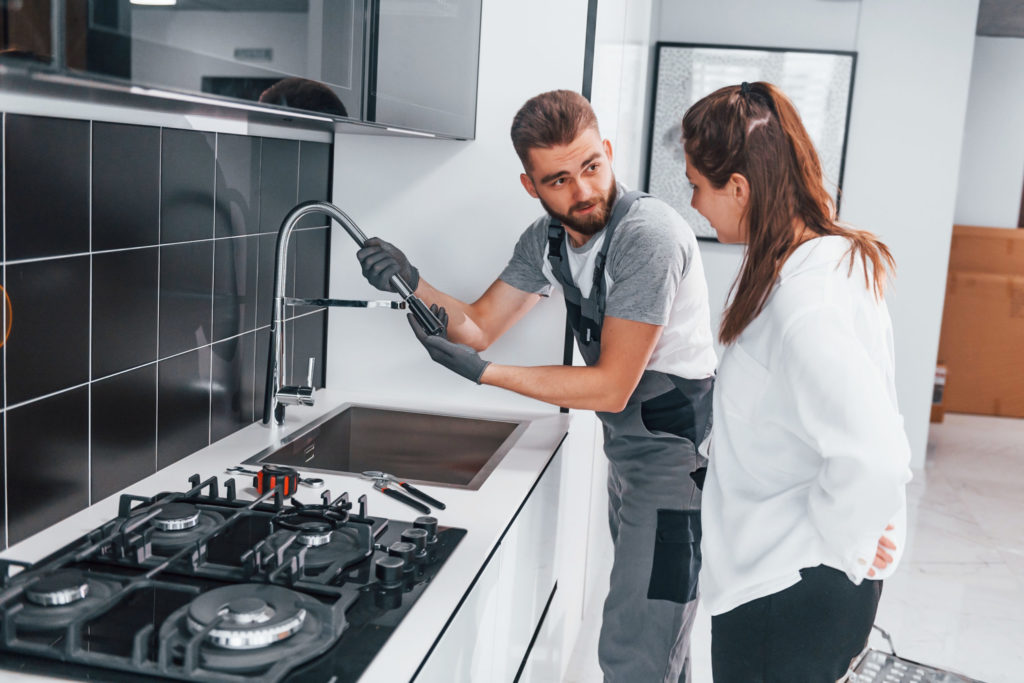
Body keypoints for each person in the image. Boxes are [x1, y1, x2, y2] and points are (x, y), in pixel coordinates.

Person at [357, 89, 717, 682]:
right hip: (629, 453)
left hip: (676, 463)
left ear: (607, 150)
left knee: (636, 651)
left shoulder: (646, 237)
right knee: (654, 638)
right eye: (558, 180)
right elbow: (479, 326)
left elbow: (611, 388)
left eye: (592, 167)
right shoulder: (548, 240)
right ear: (531, 185)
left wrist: (486, 377)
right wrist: (412, 281)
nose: (582, 192)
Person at [680, 80, 913, 682]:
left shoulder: (806, 301)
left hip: (785, 591)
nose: (694, 204)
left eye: (697, 188)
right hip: (796, 583)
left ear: (740, 188)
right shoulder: (826, 261)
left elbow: (877, 458)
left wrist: (846, 544)